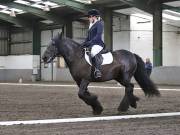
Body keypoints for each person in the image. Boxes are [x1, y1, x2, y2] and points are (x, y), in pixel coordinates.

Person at [82, 9, 105, 78]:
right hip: (91, 44)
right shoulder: (91, 25)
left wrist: (89, 42)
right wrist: (83, 43)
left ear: (93, 17)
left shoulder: (99, 24)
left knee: (92, 52)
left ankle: (97, 70)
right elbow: (88, 37)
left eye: (89, 17)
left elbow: (98, 36)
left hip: (98, 44)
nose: (88, 18)